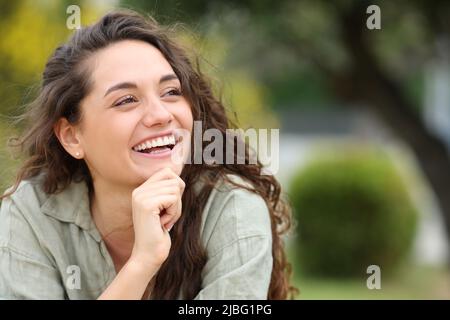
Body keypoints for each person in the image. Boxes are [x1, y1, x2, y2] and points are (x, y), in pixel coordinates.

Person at [0, 9, 295, 300]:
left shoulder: (231, 206)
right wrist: (142, 263)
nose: (161, 115)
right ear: (71, 136)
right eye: (126, 100)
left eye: (170, 92)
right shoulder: (30, 212)